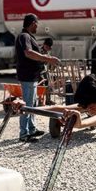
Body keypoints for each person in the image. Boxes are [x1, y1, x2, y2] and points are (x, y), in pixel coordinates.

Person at [15, 13, 61, 142]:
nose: (37, 27)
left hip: (32, 76)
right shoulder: (24, 36)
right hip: (27, 76)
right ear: (33, 23)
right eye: (37, 24)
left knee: (33, 104)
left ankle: (32, 129)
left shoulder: (28, 36)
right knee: (27, 105)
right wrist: (48, 58)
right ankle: (24, 134)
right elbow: (28, 53)